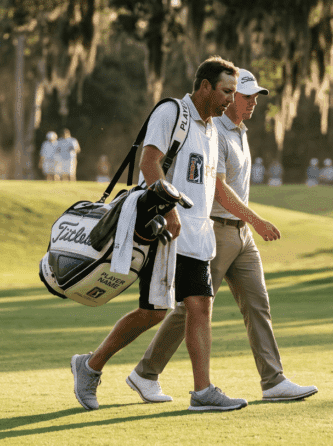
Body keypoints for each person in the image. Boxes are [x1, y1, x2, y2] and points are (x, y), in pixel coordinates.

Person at [126, 68, 317, 405]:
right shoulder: (213, 131)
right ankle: (146, 372)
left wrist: (249, 225)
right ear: (222, 95)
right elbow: (218, 190)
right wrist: (256, 219)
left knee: (257, 305)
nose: (251, 102)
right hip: (214, 228)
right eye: (244, 96)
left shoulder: (239, 132)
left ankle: (273, 380)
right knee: (192, 306)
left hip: (240, 234)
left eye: (254, 97)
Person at [70, 56, 250, 412]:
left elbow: (209, 184)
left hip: (197, 237)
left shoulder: (214, 129)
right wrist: (169, 212)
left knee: (200, 306)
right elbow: (149, 163)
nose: (231, 98)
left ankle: (203, 392)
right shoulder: (171, 113)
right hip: (163, 230)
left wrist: (246, 219)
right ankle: (89, 366)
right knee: (153, 312)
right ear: (205, 87)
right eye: (226, 90)